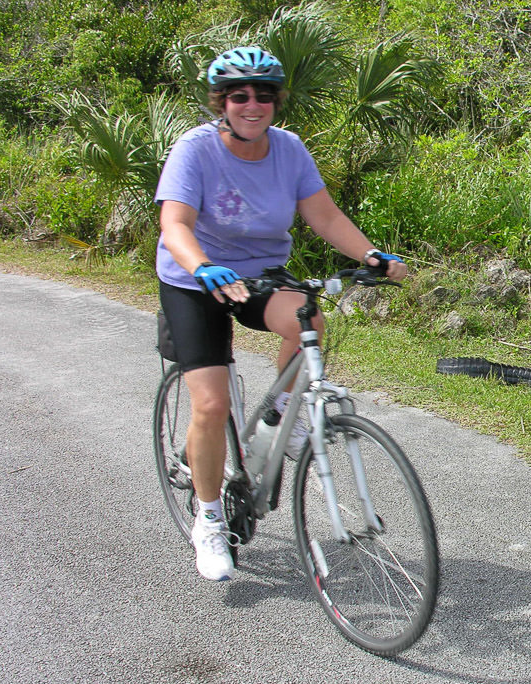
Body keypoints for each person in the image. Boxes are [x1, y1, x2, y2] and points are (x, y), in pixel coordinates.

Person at [155, 46, 407, 582]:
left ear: (276, 101)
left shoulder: (289, 150)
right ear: (222, 103)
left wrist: (370, 255)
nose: (253, 105)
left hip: (260, 275)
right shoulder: (195, 150)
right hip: (194, 279)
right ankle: (209, 519)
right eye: (240, 95)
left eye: (264, 95)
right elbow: (174, 224)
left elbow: (324, 215)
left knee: (308, 320)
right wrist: (202, 265)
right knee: (211, 404)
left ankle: (282, 415)